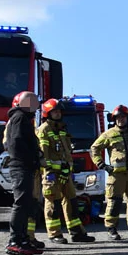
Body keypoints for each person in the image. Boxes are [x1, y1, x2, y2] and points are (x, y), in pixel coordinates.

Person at [37, 99, 96, 244]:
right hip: (51, 175)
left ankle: (77, 232)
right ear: (47, 113)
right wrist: (50, 170)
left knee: (71, 202)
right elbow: (43, 154)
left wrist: (68, 170)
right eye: (55, 111)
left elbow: (66, 153)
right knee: (53, 203)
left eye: (59, 111)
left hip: (65, 174)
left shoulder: (62, 129)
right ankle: (55, 234)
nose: (58, 113)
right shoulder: (44, 130)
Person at [90, 105, 128, 240]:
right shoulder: (109, 134)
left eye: (123, 117)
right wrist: (101, 164)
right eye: (118, 118)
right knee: (114, 203)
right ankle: (111, 230)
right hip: (116, 176)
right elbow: (94, 148)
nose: (120, 120)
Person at [3, 91, 44, 255]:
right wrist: (33, 159)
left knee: (27, 203)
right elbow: (18, 143)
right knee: (21, 203)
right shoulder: (20, 118)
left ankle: (23, 239)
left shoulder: (24, 118)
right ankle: (15, 241)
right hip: (21, 166)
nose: (35, 104)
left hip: (25, 166)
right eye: (31, 101)